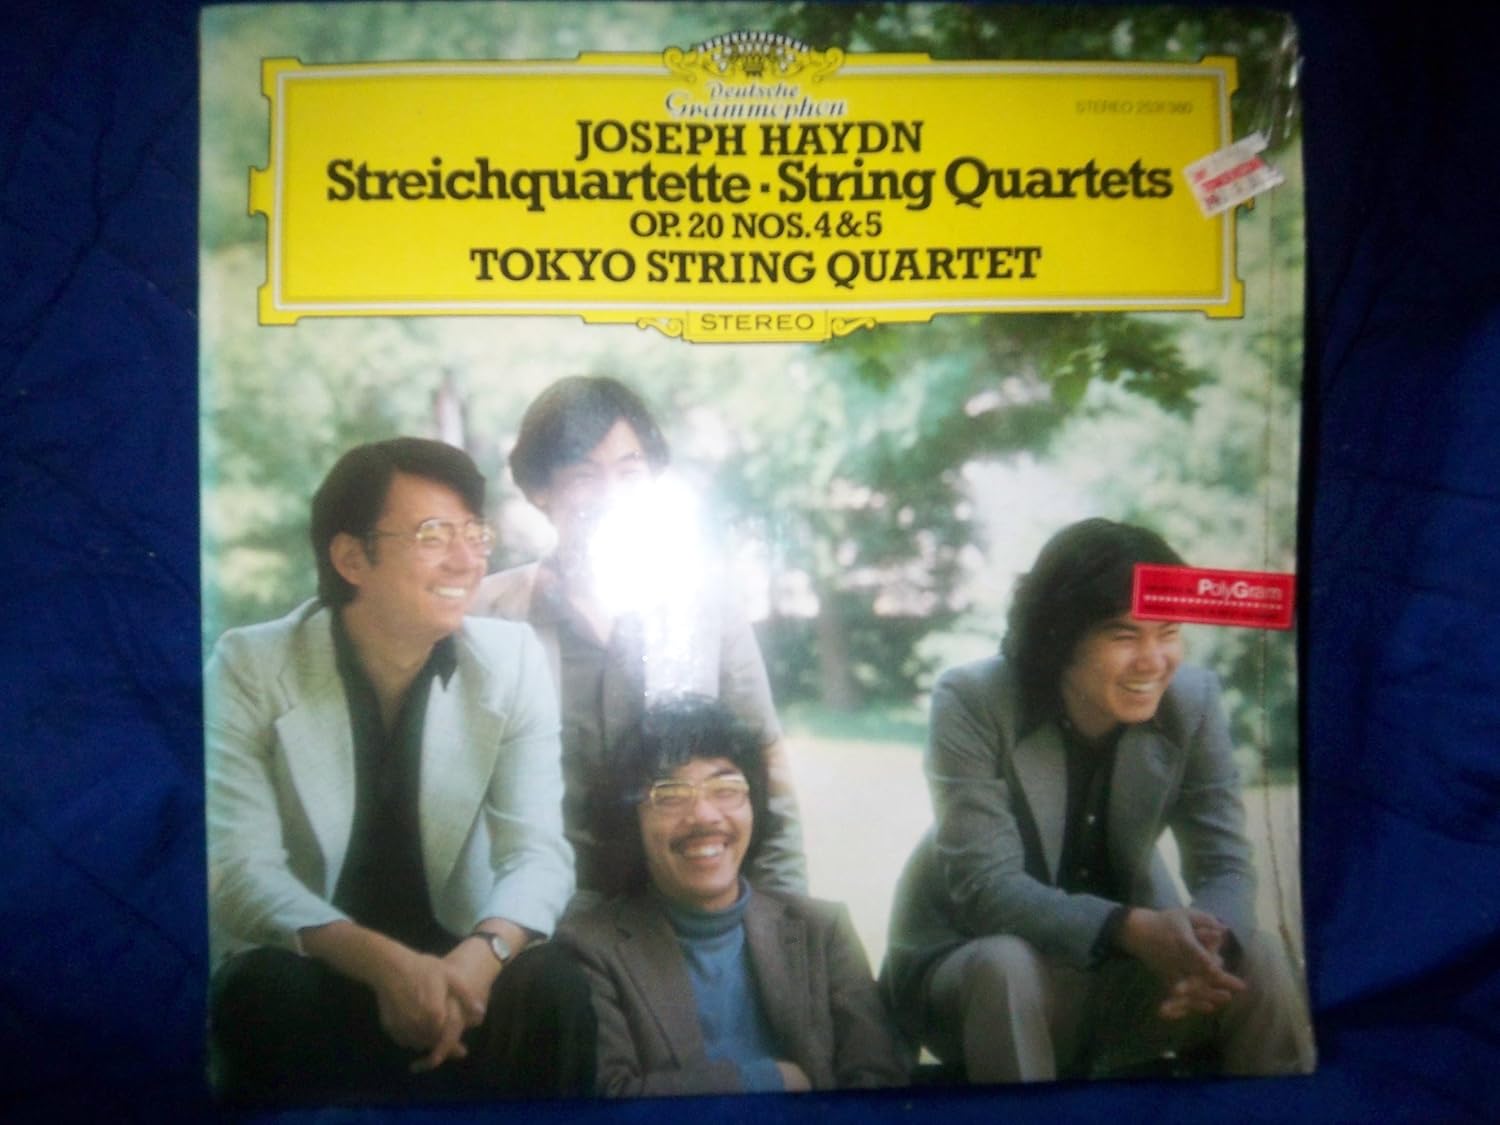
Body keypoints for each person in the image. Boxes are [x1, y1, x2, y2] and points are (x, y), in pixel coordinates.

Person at [205, 438, 592, 1104]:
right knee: (260, 991)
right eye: (433, 535)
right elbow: (239, 869)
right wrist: (387, 966)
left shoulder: (511, 659)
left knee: (552, 983)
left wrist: (481, 957)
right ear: (351, 558)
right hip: (319, 959)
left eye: (475, 533)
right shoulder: (249, 666)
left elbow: (538, 855)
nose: (468, 560)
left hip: (460, 965)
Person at [882, 518, 1314, 1083]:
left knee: (1261, 955)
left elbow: (1227, 864)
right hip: (971, 971)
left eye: (1168, 631)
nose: (1153, 660)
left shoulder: (1194, 701)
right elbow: (987, 888)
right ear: (1058, 639)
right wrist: (1129, 929)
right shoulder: (973, 698)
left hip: (1123, 974)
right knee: (1007, 965)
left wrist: (1208, 950)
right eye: (1123, 636)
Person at [474, 375, 806, 903]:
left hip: (685, 914)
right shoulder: (488, 615)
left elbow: (765, 769)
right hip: (544, 919)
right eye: (585, 475)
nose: (612, 496)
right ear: (540, 490)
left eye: (630, 472)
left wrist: (785, 917)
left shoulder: (709, 608)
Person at [557, 695, 908, 1096]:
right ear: (630, 819)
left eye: (725, 788)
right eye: (670, 794)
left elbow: (880, 1087)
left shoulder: (823, 931)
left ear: (753, 805)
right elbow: (611, 1100)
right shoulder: (590, 947)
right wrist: (764, 1081)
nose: (704, 816)